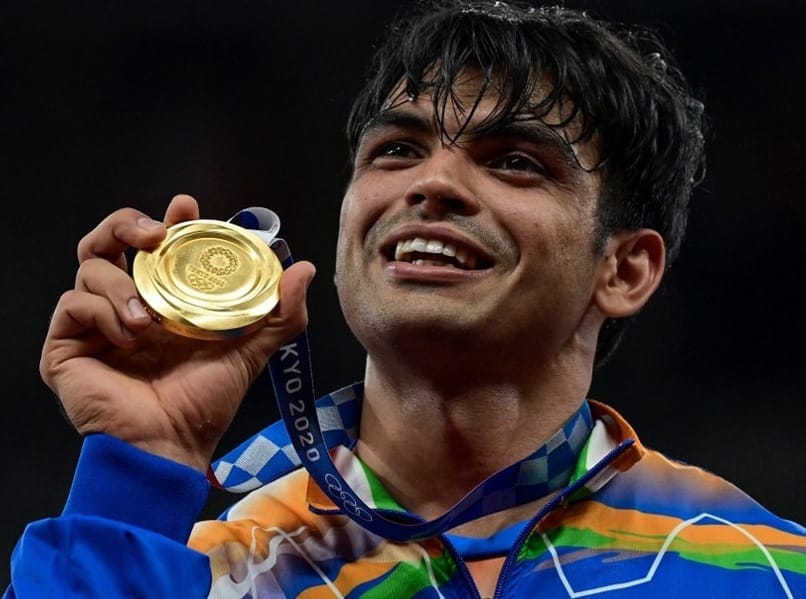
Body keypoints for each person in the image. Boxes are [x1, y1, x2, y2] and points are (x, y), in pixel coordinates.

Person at [6, 0, 806, 597]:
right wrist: (141, 465)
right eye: (396, 149)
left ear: (625, 270)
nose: (432, 183)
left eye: (515, 161)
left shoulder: (760, 570)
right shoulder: (203, 567)